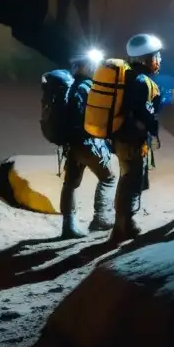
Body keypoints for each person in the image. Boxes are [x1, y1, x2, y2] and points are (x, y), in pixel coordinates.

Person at [109, 33, 163, 243]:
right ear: (146, 59)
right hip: (131, 138)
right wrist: (153, 129)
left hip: (120, 136)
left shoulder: (128, 76)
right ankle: (123, 226)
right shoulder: (141, 81)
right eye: (155, 56)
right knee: (130, 180)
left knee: (127, 177)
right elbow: (143, 113)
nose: (158, 60)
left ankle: (122, 224)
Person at [58, 56, 117, 239]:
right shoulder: (87, 88)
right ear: (84, 67)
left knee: (70, 185)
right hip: (88, 143)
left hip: (72, 144)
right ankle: (101, 218)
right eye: (91, 64)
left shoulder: (70, 87)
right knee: (108, 177)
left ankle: (69, 226)